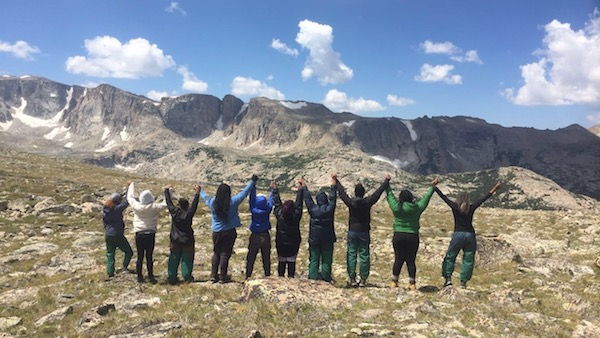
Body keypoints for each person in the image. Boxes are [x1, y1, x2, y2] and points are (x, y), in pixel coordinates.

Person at [435, 181, 502, 289]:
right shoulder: (471, 207)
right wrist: (495, 188)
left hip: (458, 234)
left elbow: (444, 198)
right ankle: (463, 282)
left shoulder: (455, 207)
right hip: (470, 235)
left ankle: (448, 279)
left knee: (450, 257)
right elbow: (483, 198)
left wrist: (434, 187)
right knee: (468, 259)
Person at [386, 175, 438, 290]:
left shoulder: (397, 208)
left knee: (398, 259)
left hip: (398, 235)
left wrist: (387, 184)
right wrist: (432, 187)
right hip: (412, 236)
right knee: (411, 260)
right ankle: (412, 283)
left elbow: (390, 196)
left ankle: (394, 281)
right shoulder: (417, 207)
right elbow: (426, 198)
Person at [201, 175, 257, 283]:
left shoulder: (213, 202)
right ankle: (222, 276)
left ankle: (213, 275)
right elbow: (244, 192)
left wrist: (200, 191)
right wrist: (252, 181)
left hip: (217, 231)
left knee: (216, 253)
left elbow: (205, 197)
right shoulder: (233, 201)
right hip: (230, 231)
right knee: (225, 254)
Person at [336, 176, 389, 287]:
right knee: (364, 254)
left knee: (351, 254)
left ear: (355, 193)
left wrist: (336, 181)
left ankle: (352, 278)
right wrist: (386, 182)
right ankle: (363, 279)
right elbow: (377, 193)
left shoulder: (350, 202)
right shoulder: (367, 202)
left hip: (352, 231)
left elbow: (342, 194)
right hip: (364, 231)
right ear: (363, 193)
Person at [127, 182, 167, 284]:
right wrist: (168, 191)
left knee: (140, 256)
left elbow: (130, 198)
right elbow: (166, 203)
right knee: (149, 256)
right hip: (150, 234)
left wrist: (131, 185)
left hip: (139, 233)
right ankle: (150, 276)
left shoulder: (137, 206)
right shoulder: (155, 207)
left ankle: (139, 276)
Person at [303, 174, 337, 282]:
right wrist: (333, 184)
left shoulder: (313, 209)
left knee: (314, 259)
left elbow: (308, 200)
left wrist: (304, 187)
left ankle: (313, 278)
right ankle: (326, 278)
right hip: (328, 238)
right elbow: (333, 198)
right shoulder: (330, 209)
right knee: (326, 260)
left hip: (315, 238)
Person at [165, 184, 201, 285]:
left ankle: (172, 277)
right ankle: (187, 276)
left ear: (178, 205)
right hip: (187, 239)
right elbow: (194, 205)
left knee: (174, 258)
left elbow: (169, 203)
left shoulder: (174, 212)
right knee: (187, 259)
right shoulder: (189, 213)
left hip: (175, 239)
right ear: (187, 206)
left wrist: (166, 191)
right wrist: (197, 193)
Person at [272, 180, 304, 278]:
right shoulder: (296, 216)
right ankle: (291, 277)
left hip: (281, 242)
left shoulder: (279, 214)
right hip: (293, 243)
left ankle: (280, 277)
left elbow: (277, 203)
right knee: (291, 261)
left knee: (281, 260)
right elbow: (299, 204)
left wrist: (275, 190)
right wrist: (300, 190)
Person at [102, 186, 134, 280]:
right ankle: (124, 267)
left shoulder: (105, 210)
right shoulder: (117, 209)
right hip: (118, 235)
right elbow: (126, 202)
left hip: (108, 235)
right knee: (129, 252)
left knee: (110, 253)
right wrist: (130, 188)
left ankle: (110, 272)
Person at [245, 181, 274, 279]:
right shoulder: (267, 209)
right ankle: (267, 275)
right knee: (266, 257)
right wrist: (273, 190)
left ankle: (248, 275)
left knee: (251, 257)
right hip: (265, 235)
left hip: (255, 235)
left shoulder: (254, 209)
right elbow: (271, 200)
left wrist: (253, 185)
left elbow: (251, 199)